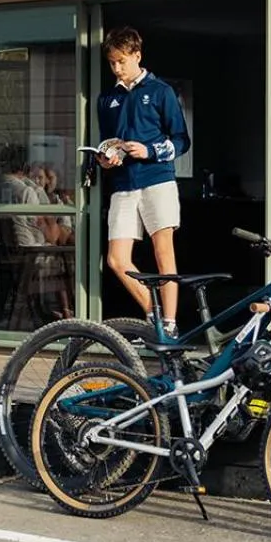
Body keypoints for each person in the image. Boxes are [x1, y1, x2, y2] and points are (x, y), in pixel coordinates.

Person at [96, 26, 191, 334]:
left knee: (164, 252)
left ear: (137, 56)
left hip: (157, 181)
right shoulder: (106, 99)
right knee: (115, 258)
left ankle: (171, 325)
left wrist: (147, 149)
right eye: (112, 62)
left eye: (121, 61)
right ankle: (153, 312)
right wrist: (105, 157)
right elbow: (107, 141)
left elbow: (181, 141)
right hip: (123, 185)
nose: (117, 68)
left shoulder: (161, 92)